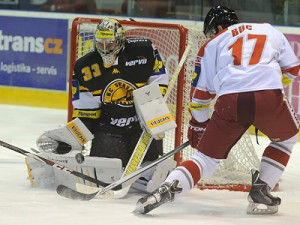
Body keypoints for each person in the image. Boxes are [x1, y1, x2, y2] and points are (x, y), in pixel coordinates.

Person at [134, 5, 300, 214]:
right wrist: (270, 91)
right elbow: (293, 69)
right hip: (268, 95)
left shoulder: (212, 45)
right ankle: (261, 190)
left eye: (211, 31)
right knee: (287, 138)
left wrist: (199, 124)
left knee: (205, 159)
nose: (210, 36)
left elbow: (199, 98)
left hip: (230, 102)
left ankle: (167, 189)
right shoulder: (268, 29)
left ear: (220, 26)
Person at [25, 18, 175, 195]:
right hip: (109, 130)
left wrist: (153, 117)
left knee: (153, 172)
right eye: (100, 44)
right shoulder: (85, 67)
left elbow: (159, 88)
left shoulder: (144, 51)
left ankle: (143, 175)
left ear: (120, 41)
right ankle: (51, 168)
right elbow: (87, 113)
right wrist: (73, 139)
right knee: (104, 176)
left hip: (142, 129)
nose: (104, 49)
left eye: (109, 44)